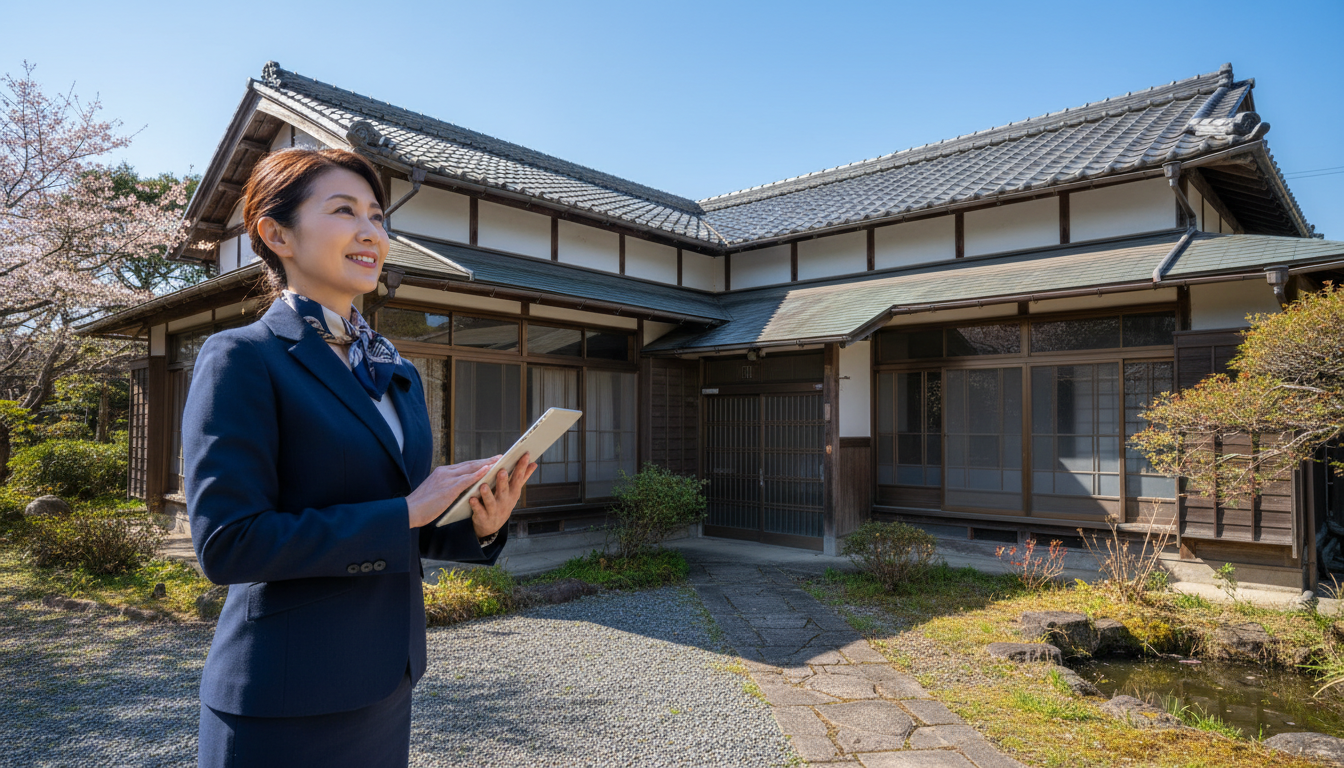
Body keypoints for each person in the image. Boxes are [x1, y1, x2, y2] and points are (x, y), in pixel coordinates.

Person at [183, 147, 536, 768]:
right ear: (276, 233)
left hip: (386, 680)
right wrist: (404, 511)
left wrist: (476, 524)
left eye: (378, 216)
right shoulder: (242, 357)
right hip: (283, 694)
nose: (372, 231)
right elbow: (229, 544)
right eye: (345, 211)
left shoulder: (392, 368)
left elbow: (404, 518)